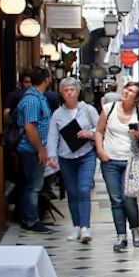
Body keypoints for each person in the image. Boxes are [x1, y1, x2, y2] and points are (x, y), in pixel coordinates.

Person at [46, 78, 100, 243]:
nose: (69, 93)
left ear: (78, 91)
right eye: (66, 90)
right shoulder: (57, 114)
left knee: (84, 190)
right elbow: (53, 136)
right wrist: (52, 156)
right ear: (61, 93)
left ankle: (85, 227)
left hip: (86, 154)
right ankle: (76, 226)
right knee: (72, 192)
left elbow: (99, 128)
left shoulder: (88, 110)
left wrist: (89, 133)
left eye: (72, 90)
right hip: (66, 157)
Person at [97, 80, 139, 252]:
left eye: (131, 91)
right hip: (110, 160)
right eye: (126, 88)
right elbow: (99, 131)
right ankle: (121, 236)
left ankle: (135, 230)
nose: (126, 92)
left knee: (129, 198)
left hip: (131, 161)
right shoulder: (109, 109)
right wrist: (100, 150)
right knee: (116, 199)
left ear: (138, 98)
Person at [13, 67, 54, 233]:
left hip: (35, 149)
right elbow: (30, 127)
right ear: (46, 79)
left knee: (31, 185)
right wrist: (40, 149)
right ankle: (31, 219)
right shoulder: (32, 100)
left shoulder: (38, 97)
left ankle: (27, 216)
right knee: (33, 186)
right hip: (31, 149)